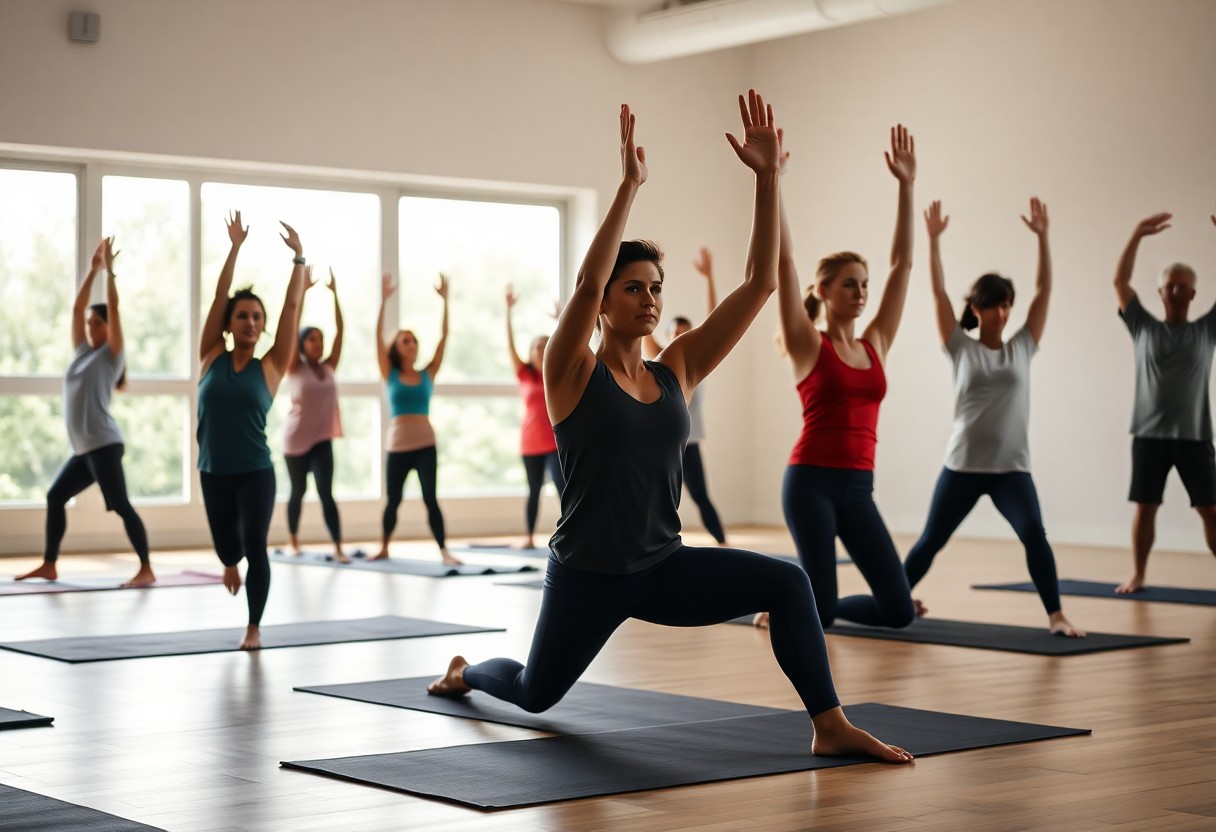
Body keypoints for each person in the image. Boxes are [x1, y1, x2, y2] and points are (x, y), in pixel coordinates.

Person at [427, 94, 913, 764]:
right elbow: (584, 282)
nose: (650, 298)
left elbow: (760, 285)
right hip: (587, 575)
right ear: (604, 302)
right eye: (633, 287)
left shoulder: (676, 367)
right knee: (536, 694)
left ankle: (829, 723)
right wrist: (628, 186)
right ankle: (467, 673)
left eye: (655, 286)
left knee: (788, 582)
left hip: (662, 566)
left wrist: (767, 179)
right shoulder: (569, 370)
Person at [759, 125, 918, 632]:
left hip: (858, 488)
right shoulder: (809, 343)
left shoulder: (876, 345)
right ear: (824, 290)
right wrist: (773, 180)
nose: (861, 292)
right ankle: (793, 601)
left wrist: (906, 186)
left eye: (864, 285)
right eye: (850, 284)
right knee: (820, 613)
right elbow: (783, 262)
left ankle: (796, 602)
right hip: (810, 483)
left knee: (900, 611)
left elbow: (903, 265)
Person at [902, 199, 1084, 637]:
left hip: (1011, 470)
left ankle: (1056, 615)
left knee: (1034, 536)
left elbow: (1044, 293)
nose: (1002, 313)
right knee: (931, 542)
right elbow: (937, 294)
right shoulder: (959, 347)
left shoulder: (1023, 346)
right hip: (962, 465)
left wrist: (1042, 237)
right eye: (993, 306)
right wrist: (933, 242)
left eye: (1007, 306)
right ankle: (894, 599)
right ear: (978, 309)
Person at [16, 237, 153, 588]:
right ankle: (49, 564)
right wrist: (92, 271)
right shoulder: (81, 352)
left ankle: (146, 568)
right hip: (85, 449)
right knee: (55, 496)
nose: (91, 327)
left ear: (108, 328)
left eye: (98, 323)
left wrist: (110, 273)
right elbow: (76, 312)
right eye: (90, 324)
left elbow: (116, 310)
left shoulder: (111, 355)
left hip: (104, 444)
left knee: (120, 504)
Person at [197, 211, 306, 650]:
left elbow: (292, 311)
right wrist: (234, 247)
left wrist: (299, 261)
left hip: (255, 471)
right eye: (242, 316)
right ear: (229, 323)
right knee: (228, 550)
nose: (251, 322)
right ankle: (229, 562)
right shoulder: (209, 355)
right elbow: (220, 295)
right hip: (213, 472)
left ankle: (253, 627)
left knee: (256, 545)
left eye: (257, 317)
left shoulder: (272, 366)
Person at [1112, 210, 1216, 593]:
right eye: (1169, 285)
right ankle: (1138, 573)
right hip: (1149, 434)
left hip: (1194, 435)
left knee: (1210, 510)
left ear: (1192, 294)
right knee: (1145, 507)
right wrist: (1137, 233)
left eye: (1182, 286)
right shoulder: (1142, 326)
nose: (1175, 291)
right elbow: (1119, 281)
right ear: (1160, 292)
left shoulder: (1207, 330)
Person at [642, 247, 727, 545]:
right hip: (662, 441)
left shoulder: (698, 361)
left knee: (701, 495)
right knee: (660, 496)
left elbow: (717, 322)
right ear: (666, 336)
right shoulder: (659, 359)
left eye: (685, 331)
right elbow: (643, 326)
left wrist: (709, 279)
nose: (678, 336)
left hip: (688, 442)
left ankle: (723, 543)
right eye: (674, 331)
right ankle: (655, 544)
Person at [375, 272, 459, 565]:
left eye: (413, 341)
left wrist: (445, 302)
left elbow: (444, 338)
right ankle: (384, 546)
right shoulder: (390, 374)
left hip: (425, 443)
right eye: (405, 341)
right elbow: (377, 338)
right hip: (397, 446)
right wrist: (384, 301)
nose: (411, 345)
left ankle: (444, 551)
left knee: (430, 499)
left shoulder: (427, 374)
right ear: (396, 349)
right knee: (394, 500)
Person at [283, 267, 347, 563]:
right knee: (298, 491)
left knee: (326, 493)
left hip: (322, 438)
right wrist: (304, 293)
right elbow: (293, 323)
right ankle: (293, 540)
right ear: (302, 343)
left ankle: (338, 547)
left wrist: (335, 296)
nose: (318, 344)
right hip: (296, 440)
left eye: (320, 340)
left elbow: (341, 332)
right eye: (312, 340)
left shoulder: (328, 366)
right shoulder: (294, 365)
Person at [505, 285, 565, 549]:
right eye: (536, 347)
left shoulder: (555, 371)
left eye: (545, 346)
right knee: (534, 491)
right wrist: (508, 311)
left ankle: (570, 535)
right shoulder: (525, 374)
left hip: (554, 442)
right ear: (530, 354)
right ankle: (529, 537)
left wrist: (560, 321)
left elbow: (567, 342)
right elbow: (509, 345)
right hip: (530, 442)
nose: (541, 350)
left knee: (564, 490)